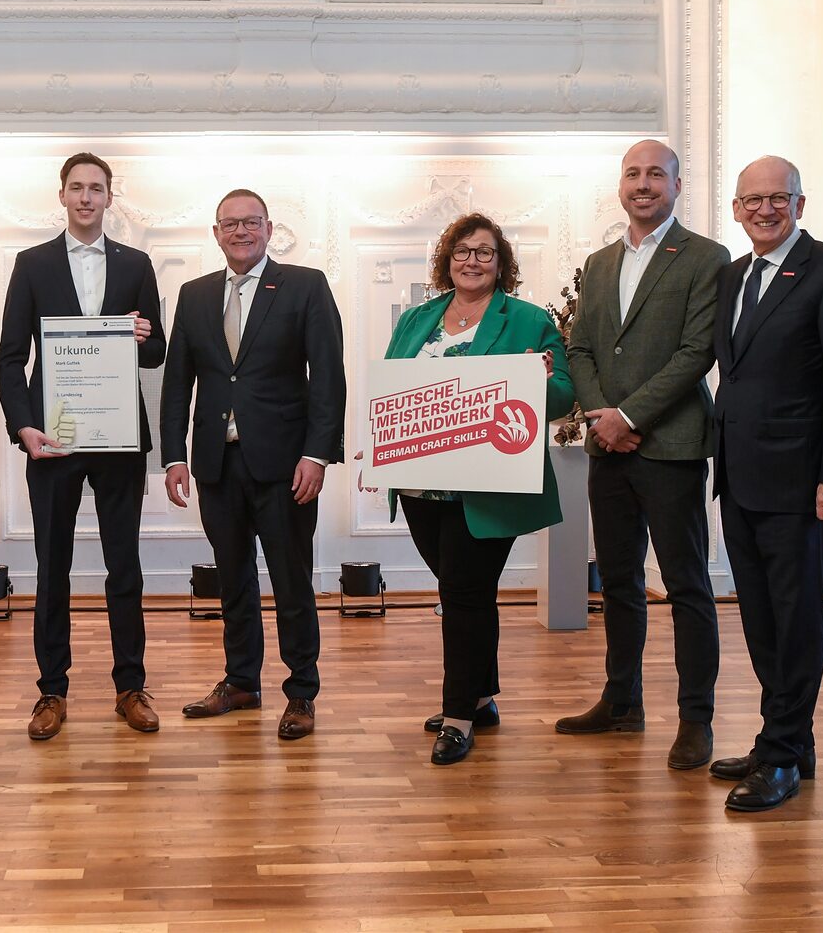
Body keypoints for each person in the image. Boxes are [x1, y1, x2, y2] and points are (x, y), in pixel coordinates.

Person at [369, 212, 572, 765]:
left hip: (487, 488)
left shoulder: (528, 319)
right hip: (420, 487)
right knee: (466, 592)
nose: (472, 261)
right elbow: (394, 389)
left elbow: (561, 396)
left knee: (462, 593)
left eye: (484, 252)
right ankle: (480, 698)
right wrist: (379, 445)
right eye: (462, 251)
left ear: (501, 262)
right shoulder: (418, 319)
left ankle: (457, 716)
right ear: (447, 260)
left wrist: (541, 379)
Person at [554, 140, 730, 771]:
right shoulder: (599, 264)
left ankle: (696, 719)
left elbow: (697, 353)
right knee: (621, 581)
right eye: (633, 174)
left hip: (672, 446)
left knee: (686, 586)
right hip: (610, 449)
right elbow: (579, 352)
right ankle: (622, 701)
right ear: (620, 186)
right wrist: (604, 418)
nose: (644, 184)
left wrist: (629, 417)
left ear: (677, 186)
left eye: (657, 174)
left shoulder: (708, 259)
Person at [710, 156, 823, 812]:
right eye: (753, 199)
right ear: (736, 209)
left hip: (804, 483)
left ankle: (780, 753)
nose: (765, 209)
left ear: (800, 205)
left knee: (797, 618)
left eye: (779, 198)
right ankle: (789, 739)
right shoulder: (732, 276)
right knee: (760, 618)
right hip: (741, 477)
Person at [161, 189, 345, 741]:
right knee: (233, 581)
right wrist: (174, 456)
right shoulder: (193, 296)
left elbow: (328, 378)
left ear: (270, 228)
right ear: (216, 233)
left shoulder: (305, 285)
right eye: (229, 224)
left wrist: (317, 454)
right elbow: (177, 386)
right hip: (217, 465)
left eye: (251, 222)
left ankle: (301, 693)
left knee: (291, 582)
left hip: (286, 466)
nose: (240, 232)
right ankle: (241, 682)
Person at [0, 153, 165, 740]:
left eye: (97, 188)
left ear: (110, 198)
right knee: (53, 569)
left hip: (118, 439)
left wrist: (142, 335)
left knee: (125, 566)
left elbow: (156, 351)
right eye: (77, 188)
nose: (87, 197)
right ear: (62, 196)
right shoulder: (32, 264)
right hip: (54, 440)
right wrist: (23, 428)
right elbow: (10, 357)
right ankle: (51, 691)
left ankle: (130, 686)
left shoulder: (137, 264)